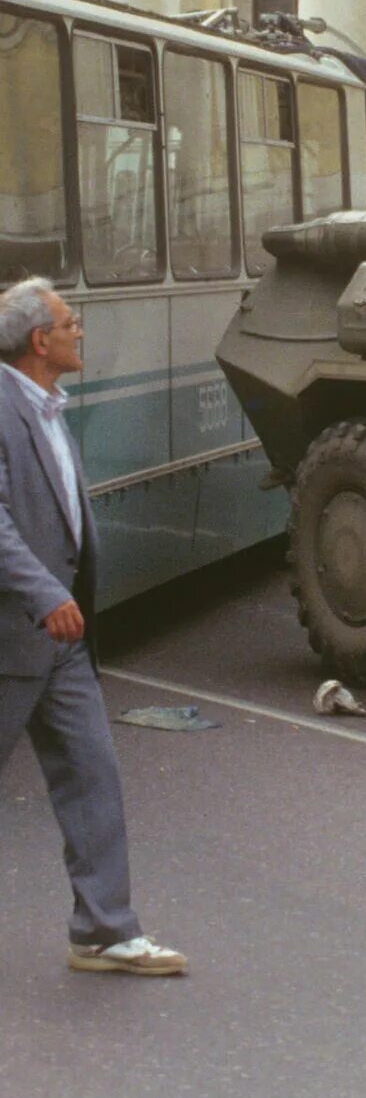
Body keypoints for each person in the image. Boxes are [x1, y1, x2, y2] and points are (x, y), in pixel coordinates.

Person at [0, 279, 187, 977]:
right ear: (38, 342)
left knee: (93, 776)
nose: (81, 331)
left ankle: (104, 930)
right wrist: (46, 591)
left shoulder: (46, 404)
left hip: (61, 642)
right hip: (14, 634)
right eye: (70, 322)